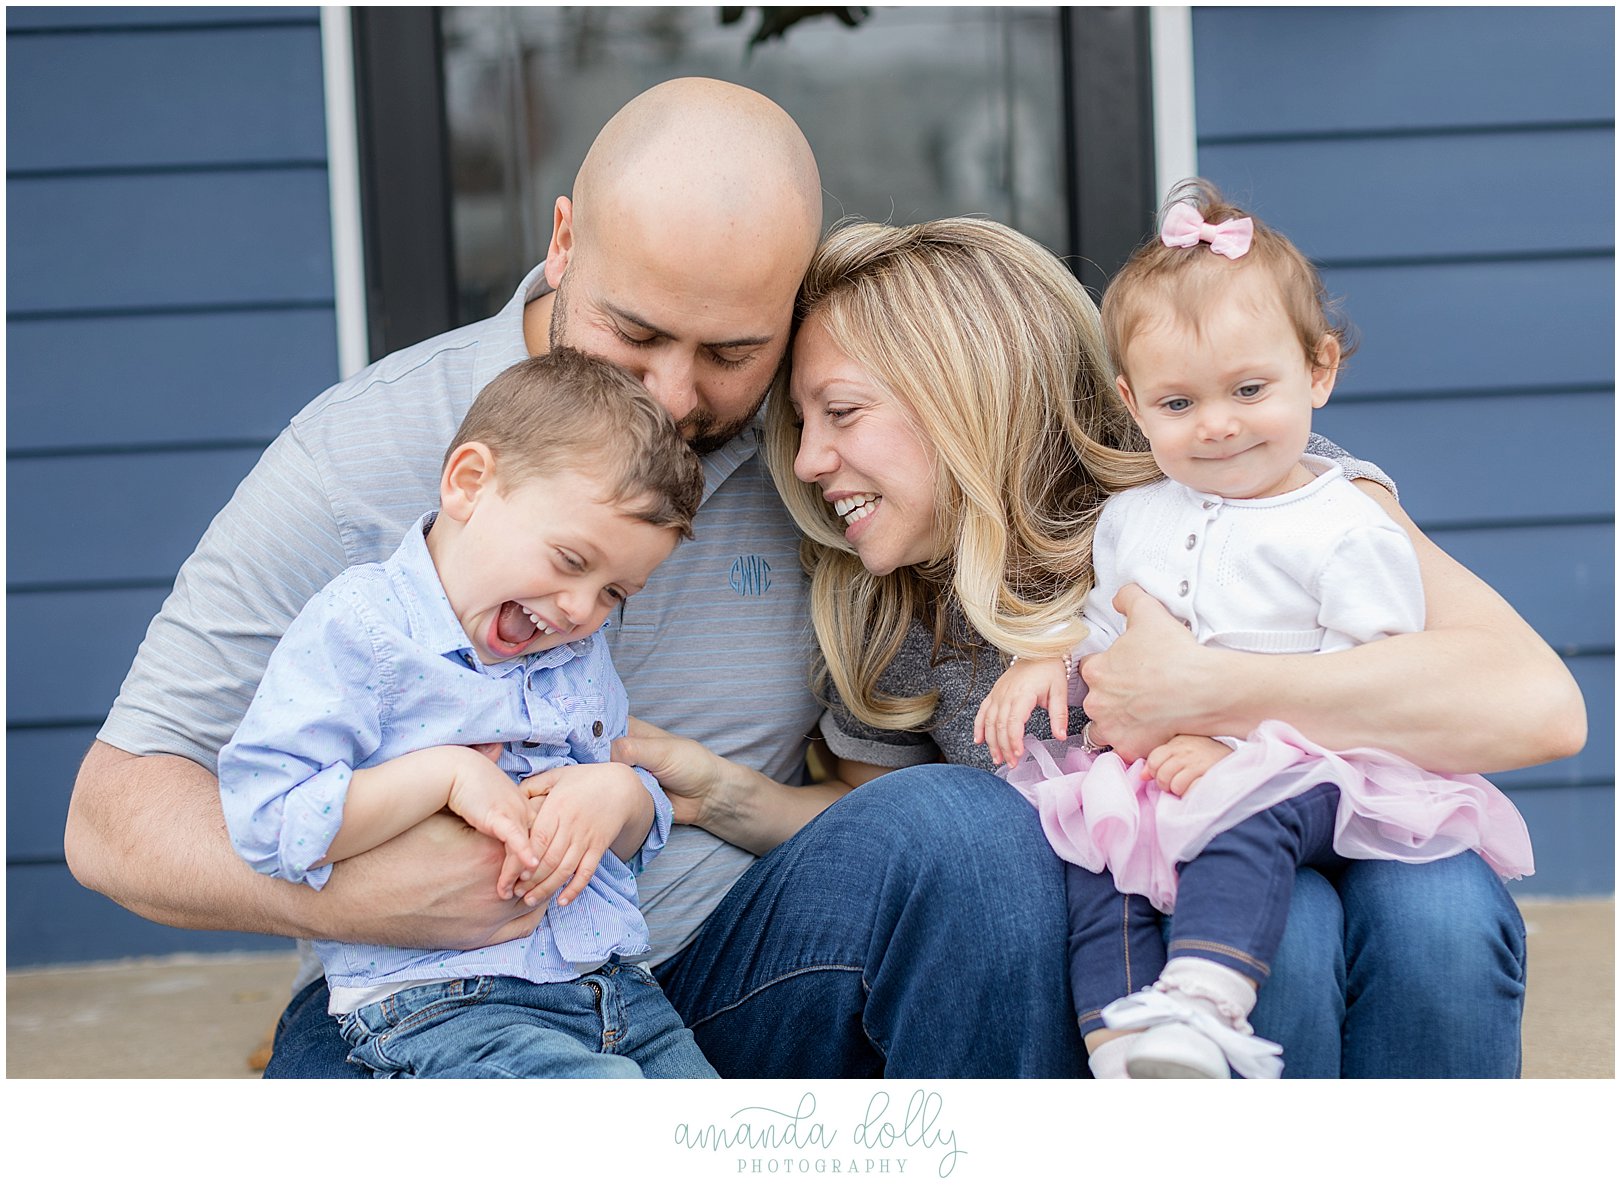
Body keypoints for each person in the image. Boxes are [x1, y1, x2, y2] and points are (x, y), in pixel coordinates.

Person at [67, 78, 1088, 1078]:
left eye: (731, 351)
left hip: (726, 961)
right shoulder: (356, 456)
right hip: (424, 993)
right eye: (634, 334)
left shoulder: (820, 455)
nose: (675, 395)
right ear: (562, 242)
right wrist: (356, 900)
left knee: (976, 831)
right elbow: (114, 820)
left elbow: (889, 816)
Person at [761, 215, 1584, 1077]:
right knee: (1284, 930)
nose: (811, 460)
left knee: (1439, 908)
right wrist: (707, 794)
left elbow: (1536, 705)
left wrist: (1201, 690)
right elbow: (878, 848)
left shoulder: (1235, 475)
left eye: (842, 413)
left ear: (963, 391)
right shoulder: (896, 610)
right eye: (801, 423)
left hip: (1337, 819)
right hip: (1149, 930)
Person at [975, 183, 1538, 1079]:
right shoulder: (1131, 518)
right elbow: (1104, 628)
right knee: (1098, 850)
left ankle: (1205, 997)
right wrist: (1045, 657)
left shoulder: (1341, 520)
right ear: (1132, 400)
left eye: (1247, 388)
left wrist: (1232, 747)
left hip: (1314, 768)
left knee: (1253, 825)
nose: (1218, 424)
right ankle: (1126, 1039)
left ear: (1317, 370)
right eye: (1178, 403)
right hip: (1172, 768)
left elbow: (1374, 680)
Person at [218, 350, 715, 1078]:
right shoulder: (361, 630)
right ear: (470, 483)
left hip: (610, 988)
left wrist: (618, 796)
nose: (582, 609)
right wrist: (443, 775)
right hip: (439, 1003)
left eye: (615, 592)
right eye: (573, 560)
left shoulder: (573, 649)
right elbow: (270, 818)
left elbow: (625, 829)